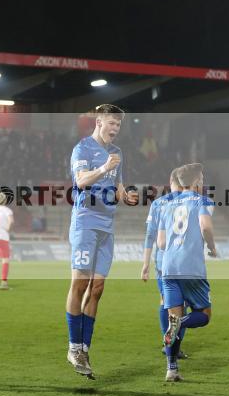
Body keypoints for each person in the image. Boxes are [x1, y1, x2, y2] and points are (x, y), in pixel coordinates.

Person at [65, 104, 139, 378]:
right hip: (86, 221)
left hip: (107, 226)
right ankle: (73, 347)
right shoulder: (83, 149)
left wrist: (126, 196)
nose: (115, 128)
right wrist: (104, 166)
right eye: (111, 123)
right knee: (80, 284)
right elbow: (81, 181)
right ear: (99, 122)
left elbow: (117, 184)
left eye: (118, 124)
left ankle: (84, 348)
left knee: (97, 288)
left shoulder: (117, 152)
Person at [157, 163, 217, 381]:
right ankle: (180, 323)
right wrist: (211, 247)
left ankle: (171, 369)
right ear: (197, 181)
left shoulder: (166, 205)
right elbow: (205, 226)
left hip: (168, 267)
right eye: (202, 178)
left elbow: (161, 243)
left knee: (173, 316)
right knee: (204, 315)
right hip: (191, 267)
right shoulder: (202, 201)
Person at [140, 170, 189, 360]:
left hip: (163, 262)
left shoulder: (159, 204)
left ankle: (167, 342)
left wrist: (145, 264)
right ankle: (175, 345)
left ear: (170, 181)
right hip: (185, 261)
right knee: (183, 304)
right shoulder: (191, 202)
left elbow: (150, 235)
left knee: (165, 300)